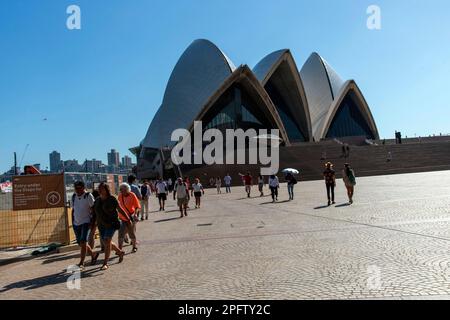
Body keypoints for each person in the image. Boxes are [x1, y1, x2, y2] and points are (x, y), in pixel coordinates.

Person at [94, 182, 125, 270]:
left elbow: (120, 209)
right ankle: (120, 251)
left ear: (106, 189)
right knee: (107, 242)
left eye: (102, 188)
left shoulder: (112, 199)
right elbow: (94, 213)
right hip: (101, 225)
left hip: (112, 223)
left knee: (107, 241)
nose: (100, 190)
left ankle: (105, 263)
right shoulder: (97, 200)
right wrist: (93, 224)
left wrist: (128, 218)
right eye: (99, 188)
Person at [71, 181, 99, 270]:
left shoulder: (88, 196)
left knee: (83, 242)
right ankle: (93, 254)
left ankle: (81, 262)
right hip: (76, 223)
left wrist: (93, 222)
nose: (78, 190)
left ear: (83, 188)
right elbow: (73, 210)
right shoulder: (74, 196)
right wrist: (73, 221)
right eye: (76, 188)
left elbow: (93, 210)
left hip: (86, 222)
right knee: (80, 243)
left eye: (80, 188)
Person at [118, 183, 140, 253]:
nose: (122, 191)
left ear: (128, 190)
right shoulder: (120, 196)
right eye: (121, 190)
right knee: (120, 233)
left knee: (131, 233)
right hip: (122, 217)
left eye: (124, 190)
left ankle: (134, 246)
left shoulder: (132, 195)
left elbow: (137, 206)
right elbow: (118, 207)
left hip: (130, 217)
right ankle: (119, 249)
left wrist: (136, 214)